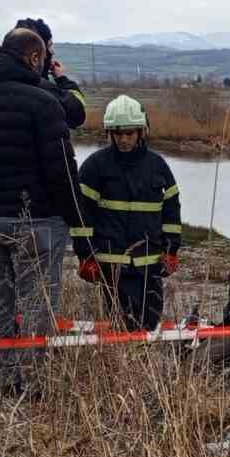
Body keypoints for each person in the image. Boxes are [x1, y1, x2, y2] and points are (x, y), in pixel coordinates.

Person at [0, 27, 83, 394]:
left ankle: (2, 378)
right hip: (37, 219)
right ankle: (34, 382)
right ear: (35, 58)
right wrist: (77, 218)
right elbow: (61, 169)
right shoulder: (43, 101)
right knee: (38, 302)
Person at [73, 95, 181, 331]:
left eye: (129, 133)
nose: (123, 139)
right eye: (118, 133)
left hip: (150, 266)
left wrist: (171, 250)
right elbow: (81, 216)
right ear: (109, 133)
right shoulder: (95, 166)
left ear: (141, 131)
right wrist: (85, 256)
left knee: (149, 325)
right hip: (111, 267)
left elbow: (172, 212)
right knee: (119, 326)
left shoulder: (157, 166)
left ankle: (142, 356)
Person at [13, 17, 88, 132]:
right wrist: (62, 80)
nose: (52, 51)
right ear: (35, 55)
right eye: (49, 46)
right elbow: (77, 113)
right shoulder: (42, 90)